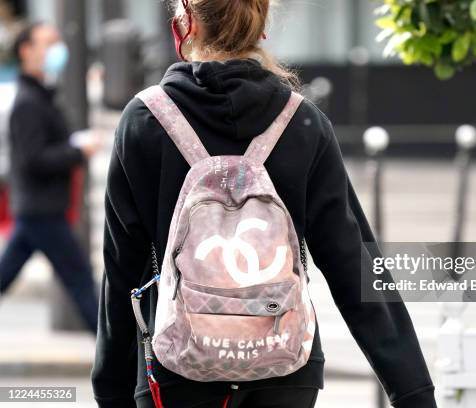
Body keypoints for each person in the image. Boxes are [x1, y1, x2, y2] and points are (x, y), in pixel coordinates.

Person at [91, 0, 436, 407]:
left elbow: (122, 269)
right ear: (260, 26)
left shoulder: (143, 121)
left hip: (177, 371)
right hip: (284, 368)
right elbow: (353, 264)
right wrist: (413, 391)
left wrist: (111, 389)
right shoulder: (302, 123)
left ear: (186, 24)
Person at [0, 22, 100, 333]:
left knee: (8, 274)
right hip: (42, 210)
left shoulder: (41, 95)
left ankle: (114, 355)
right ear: (26, 50)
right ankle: (117, 359)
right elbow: (34, 160)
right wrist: (78, 152)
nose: (57, 49)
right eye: (49, 42)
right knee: (82, 281)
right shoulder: (28, 102)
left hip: (37, 210)